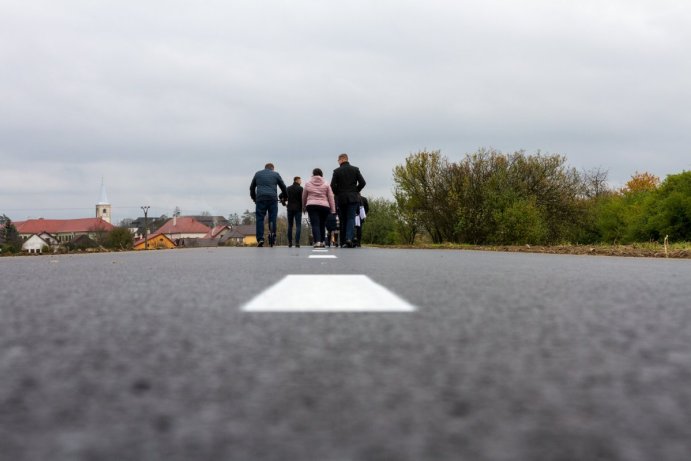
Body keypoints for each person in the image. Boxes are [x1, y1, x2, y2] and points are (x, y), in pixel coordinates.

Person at [330, 153, 366, 248]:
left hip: (341, 198)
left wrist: (338, 193)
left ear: (341, 160)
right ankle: (349, 238)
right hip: (353, 198)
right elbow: (363, 182)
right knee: (351, 218)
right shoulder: (355, 169)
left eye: (338, 160)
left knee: (343, 219)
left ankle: (343, 241)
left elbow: (332, 186)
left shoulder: (336, 171)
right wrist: (356, 191)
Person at [249, 163, 287, 247]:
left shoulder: (258, 174)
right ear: (272, 168)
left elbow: (252, 188)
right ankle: (273, 237)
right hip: (272, 199)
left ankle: (260, 239)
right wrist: (285, 197)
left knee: (260, 218)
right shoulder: (276, 174)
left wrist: (254, 198)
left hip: (261, 198)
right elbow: (283, 187)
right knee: (272, 218)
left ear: (265, 168)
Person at [302, 168, 336, 248]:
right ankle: (323, 241)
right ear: (321, 174)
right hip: (324, 206)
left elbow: (304, 196)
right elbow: (331, 197)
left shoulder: (308, 183)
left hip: (312, 205)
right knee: (322, 224)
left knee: (315, 224)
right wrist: (333, 209)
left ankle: (317, 241)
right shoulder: (326, 184)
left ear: (313, 174)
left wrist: (303, 206)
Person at [285, 176, 303, 248]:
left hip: (289, 208)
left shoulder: (288, 188)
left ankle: (290, 242)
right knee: (298, 225)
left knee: (290, 225)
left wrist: (284, 202)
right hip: (298, 209)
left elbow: (281, 195)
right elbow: (303, 199)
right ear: (297, 180)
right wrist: (303, 207)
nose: (301, 181)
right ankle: (297, 242)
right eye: (300, 180)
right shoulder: (301, 189)